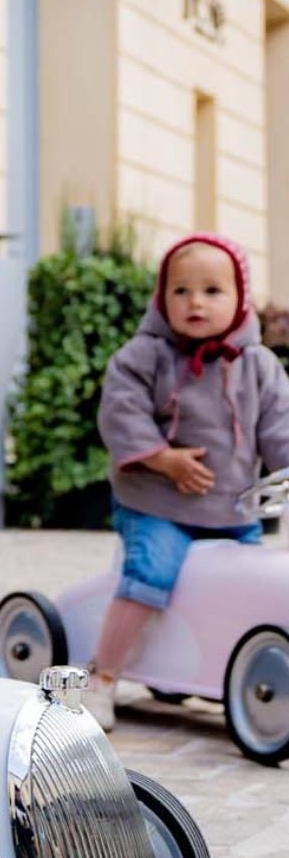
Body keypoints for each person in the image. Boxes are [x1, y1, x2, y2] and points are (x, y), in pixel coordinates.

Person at [89, 232, 289, 729]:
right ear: (162, 299)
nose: (195, 301)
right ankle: (103, 677)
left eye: (212, 291)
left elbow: (279, 428)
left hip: (232, 510)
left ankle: (221, 668)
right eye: (180, 290)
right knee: (150, 574)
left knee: (249, 587)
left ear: (240, 299)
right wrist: (162, 459)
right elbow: (121, 412)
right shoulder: (145, 356)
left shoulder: (258, 366)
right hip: (158, 506)